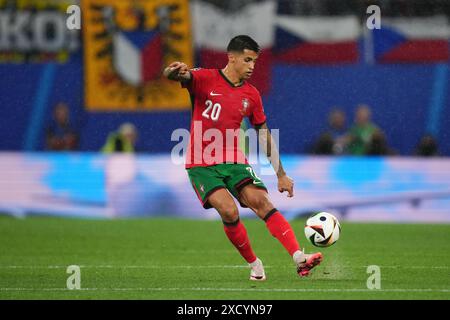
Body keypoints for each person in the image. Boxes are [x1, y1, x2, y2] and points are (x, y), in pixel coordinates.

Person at [163, 35, 322, 281]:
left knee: (263, 202)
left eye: (254, 62)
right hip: (201, 163)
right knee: (228, 211)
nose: (251, 66)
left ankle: (300, 259)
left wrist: (281, 174)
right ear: (232, 57)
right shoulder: (205, 78)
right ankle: (254, 263)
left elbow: (264, 134)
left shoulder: (252, 95)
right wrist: (172, 71)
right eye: (247, 60)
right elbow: (177, 76)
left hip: (234, 161)